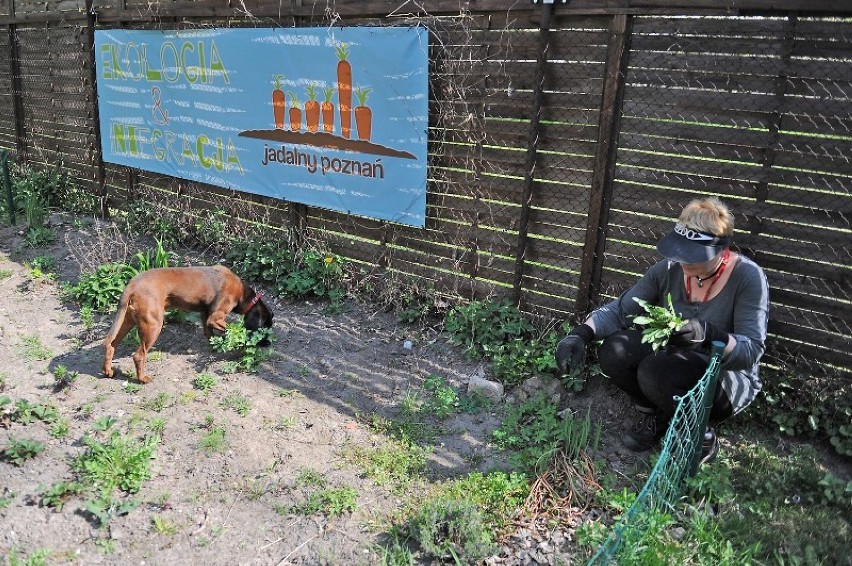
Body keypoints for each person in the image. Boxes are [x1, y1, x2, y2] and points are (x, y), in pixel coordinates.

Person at [555, 196, 769, 463]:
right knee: (615, 350)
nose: (683, 262)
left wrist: (711, 335)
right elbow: (621, 311)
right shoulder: (668, 269)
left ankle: (701, 432)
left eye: (692, 255)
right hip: (671, 361)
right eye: (681, 252)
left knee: (654, 371)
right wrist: (581, 334)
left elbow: (751, 351)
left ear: (720, 251)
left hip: (724, 378)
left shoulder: (748, 277)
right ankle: (657, 413)